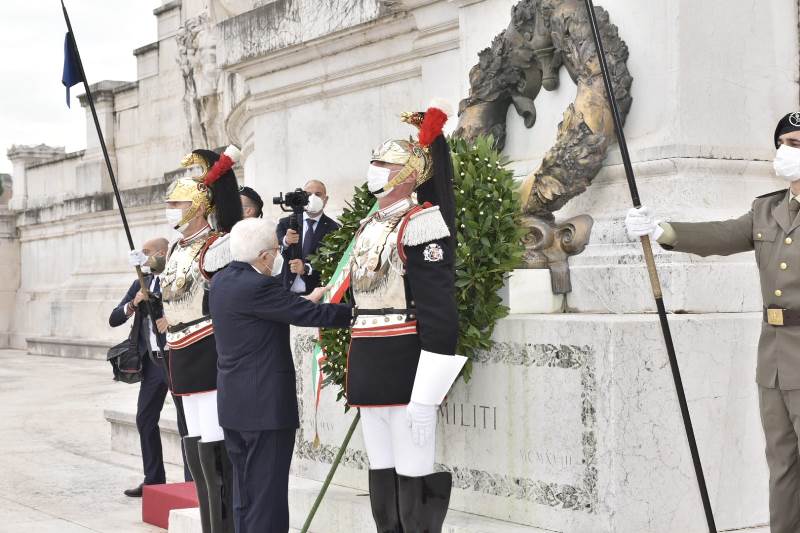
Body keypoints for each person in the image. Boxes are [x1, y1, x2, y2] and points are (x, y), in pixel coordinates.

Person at [623, 112, 800, 533]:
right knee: (782, 465)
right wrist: (661, 229)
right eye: (786, 143)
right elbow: (721, 235)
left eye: (797, 144)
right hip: (774, 360)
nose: (788, 152)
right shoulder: (768, 209)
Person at [346, 101, 466, 533]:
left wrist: (427, 391)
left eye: (384, 163)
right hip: (369, 365)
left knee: (412, 476)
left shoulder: (422, 223)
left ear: (410, 173)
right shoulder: (371, 223)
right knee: (381, 474)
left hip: (404, 366)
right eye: (374, 162)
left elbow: (438, 309)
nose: (374, 169)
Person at [209, 217, 353, 533]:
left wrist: (301, 300)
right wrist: (359, 314)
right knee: (267, 497)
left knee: (245, 494)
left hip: (235, 405)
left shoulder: (222, 282)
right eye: (276, 250)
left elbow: (269, 311)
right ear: (263, 256)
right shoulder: (258, 286)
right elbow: (309, 315)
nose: (278, 256)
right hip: (265, 410)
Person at [134, 144, 242, 533]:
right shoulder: (179, 247)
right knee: (195, 444)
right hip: (179, 351)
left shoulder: (218, 246)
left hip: (208, 350)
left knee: (213, 443)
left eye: (177, 204)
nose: (171, 211)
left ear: (197, 206)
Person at [109, 237, 184, 496]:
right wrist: (134, 303)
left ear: (163, 253)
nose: (143, 257)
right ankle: (153, 479)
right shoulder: (139, 283)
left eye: (147, 252)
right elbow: (114, 318)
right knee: (144, 419)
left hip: (174, 358)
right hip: (152, 363)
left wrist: (168, 318)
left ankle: (192, 483)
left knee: (186, 421)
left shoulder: (174, 278)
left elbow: (187, 309)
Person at [275, 180, 339, 294]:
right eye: (308, 194)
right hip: (287, 292)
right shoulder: (286, 223)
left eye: (318, 194)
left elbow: (332, 262)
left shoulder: (335, 229)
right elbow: (276, 249)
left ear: (326, 199)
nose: (313, 197)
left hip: (316, 293)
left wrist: (306, 269)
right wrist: (286, 241)